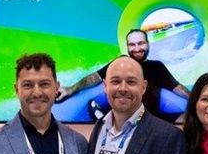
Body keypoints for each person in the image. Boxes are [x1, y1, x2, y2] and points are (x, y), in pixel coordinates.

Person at [57, 28, 189, 122]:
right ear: (127, 47)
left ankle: (100, 115)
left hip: (150, 118)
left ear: (147, 44)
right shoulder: (121, 63)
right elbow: (95, 77)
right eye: (132, 45)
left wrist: (196, 99)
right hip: (122, 118)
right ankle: (102, 117)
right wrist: (71, 89)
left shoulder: (156, 67)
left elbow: (178, 88)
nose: (137, 48)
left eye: (141, 43)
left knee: (185, 118)